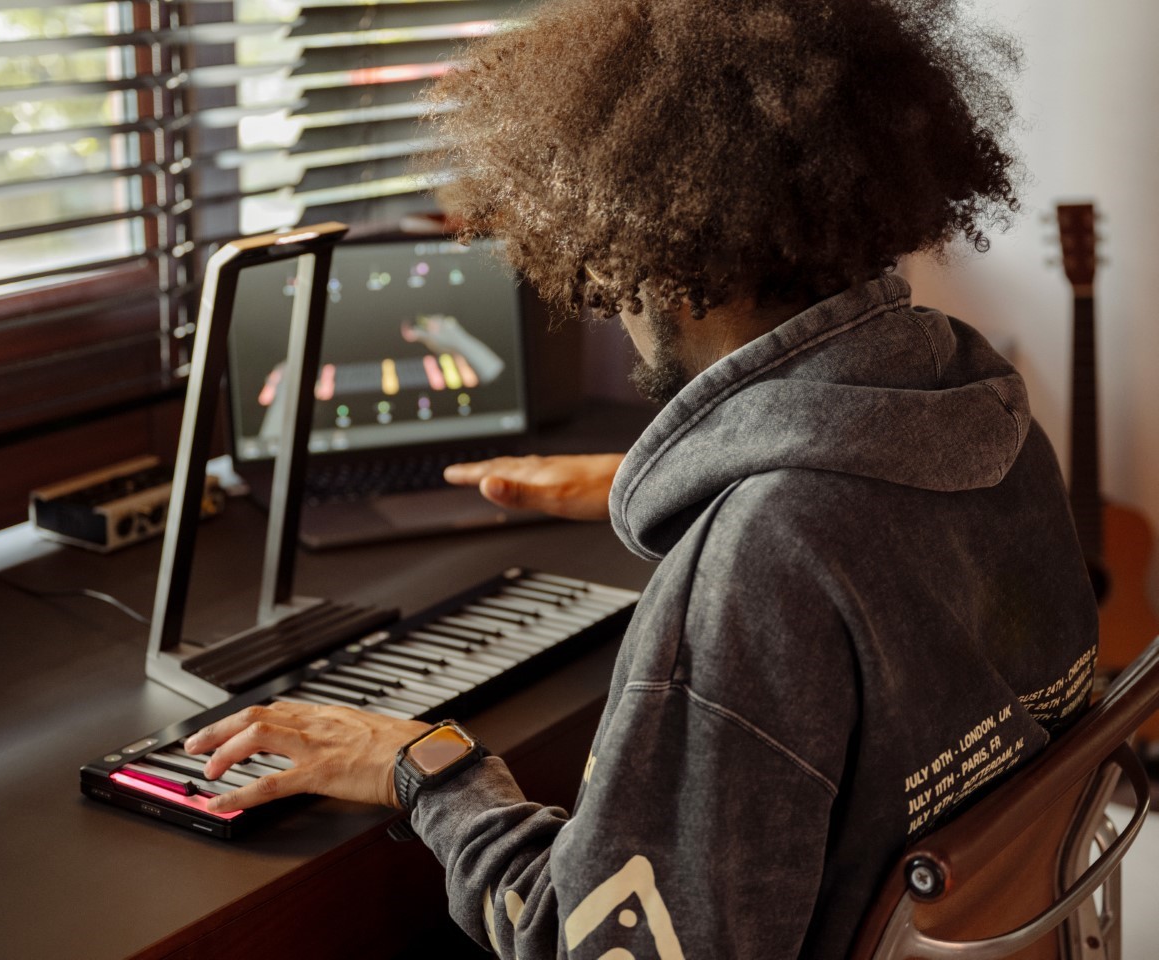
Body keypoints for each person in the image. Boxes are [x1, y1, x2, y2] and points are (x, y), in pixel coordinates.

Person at [183, 0, 1099, 956]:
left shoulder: (763, 561)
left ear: (666, 257)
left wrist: (427, 767)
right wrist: (697, 482)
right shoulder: (986, 423)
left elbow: (587, 944)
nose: (610, 307)